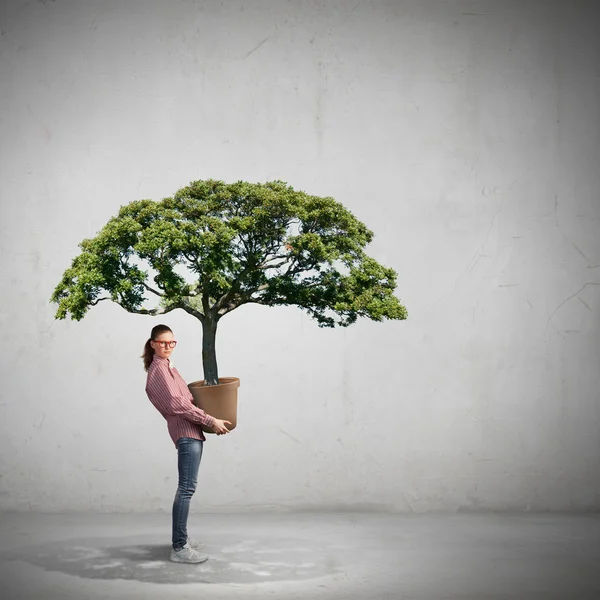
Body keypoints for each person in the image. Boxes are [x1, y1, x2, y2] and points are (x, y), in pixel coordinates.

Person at [142, 324, 232, 564]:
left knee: (187, 488)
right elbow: (177, 405)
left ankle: (181, 540)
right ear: (153, 344)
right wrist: (210, 419)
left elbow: (186, 399)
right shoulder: (159, 371)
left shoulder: (169, 368)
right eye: (162, 342)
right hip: (186, 433)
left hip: (191, 431)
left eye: (171, 342)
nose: (167, 346)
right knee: (186, 489)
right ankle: (179, 547)